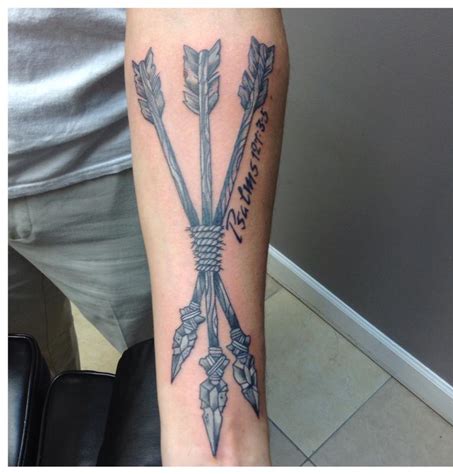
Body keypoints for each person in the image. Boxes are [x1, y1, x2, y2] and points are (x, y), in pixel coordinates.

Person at [9, 8, 289, 466]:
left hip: (106, 167)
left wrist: (219, 449)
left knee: (153, 369)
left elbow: (206, 15)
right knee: (36, 368)